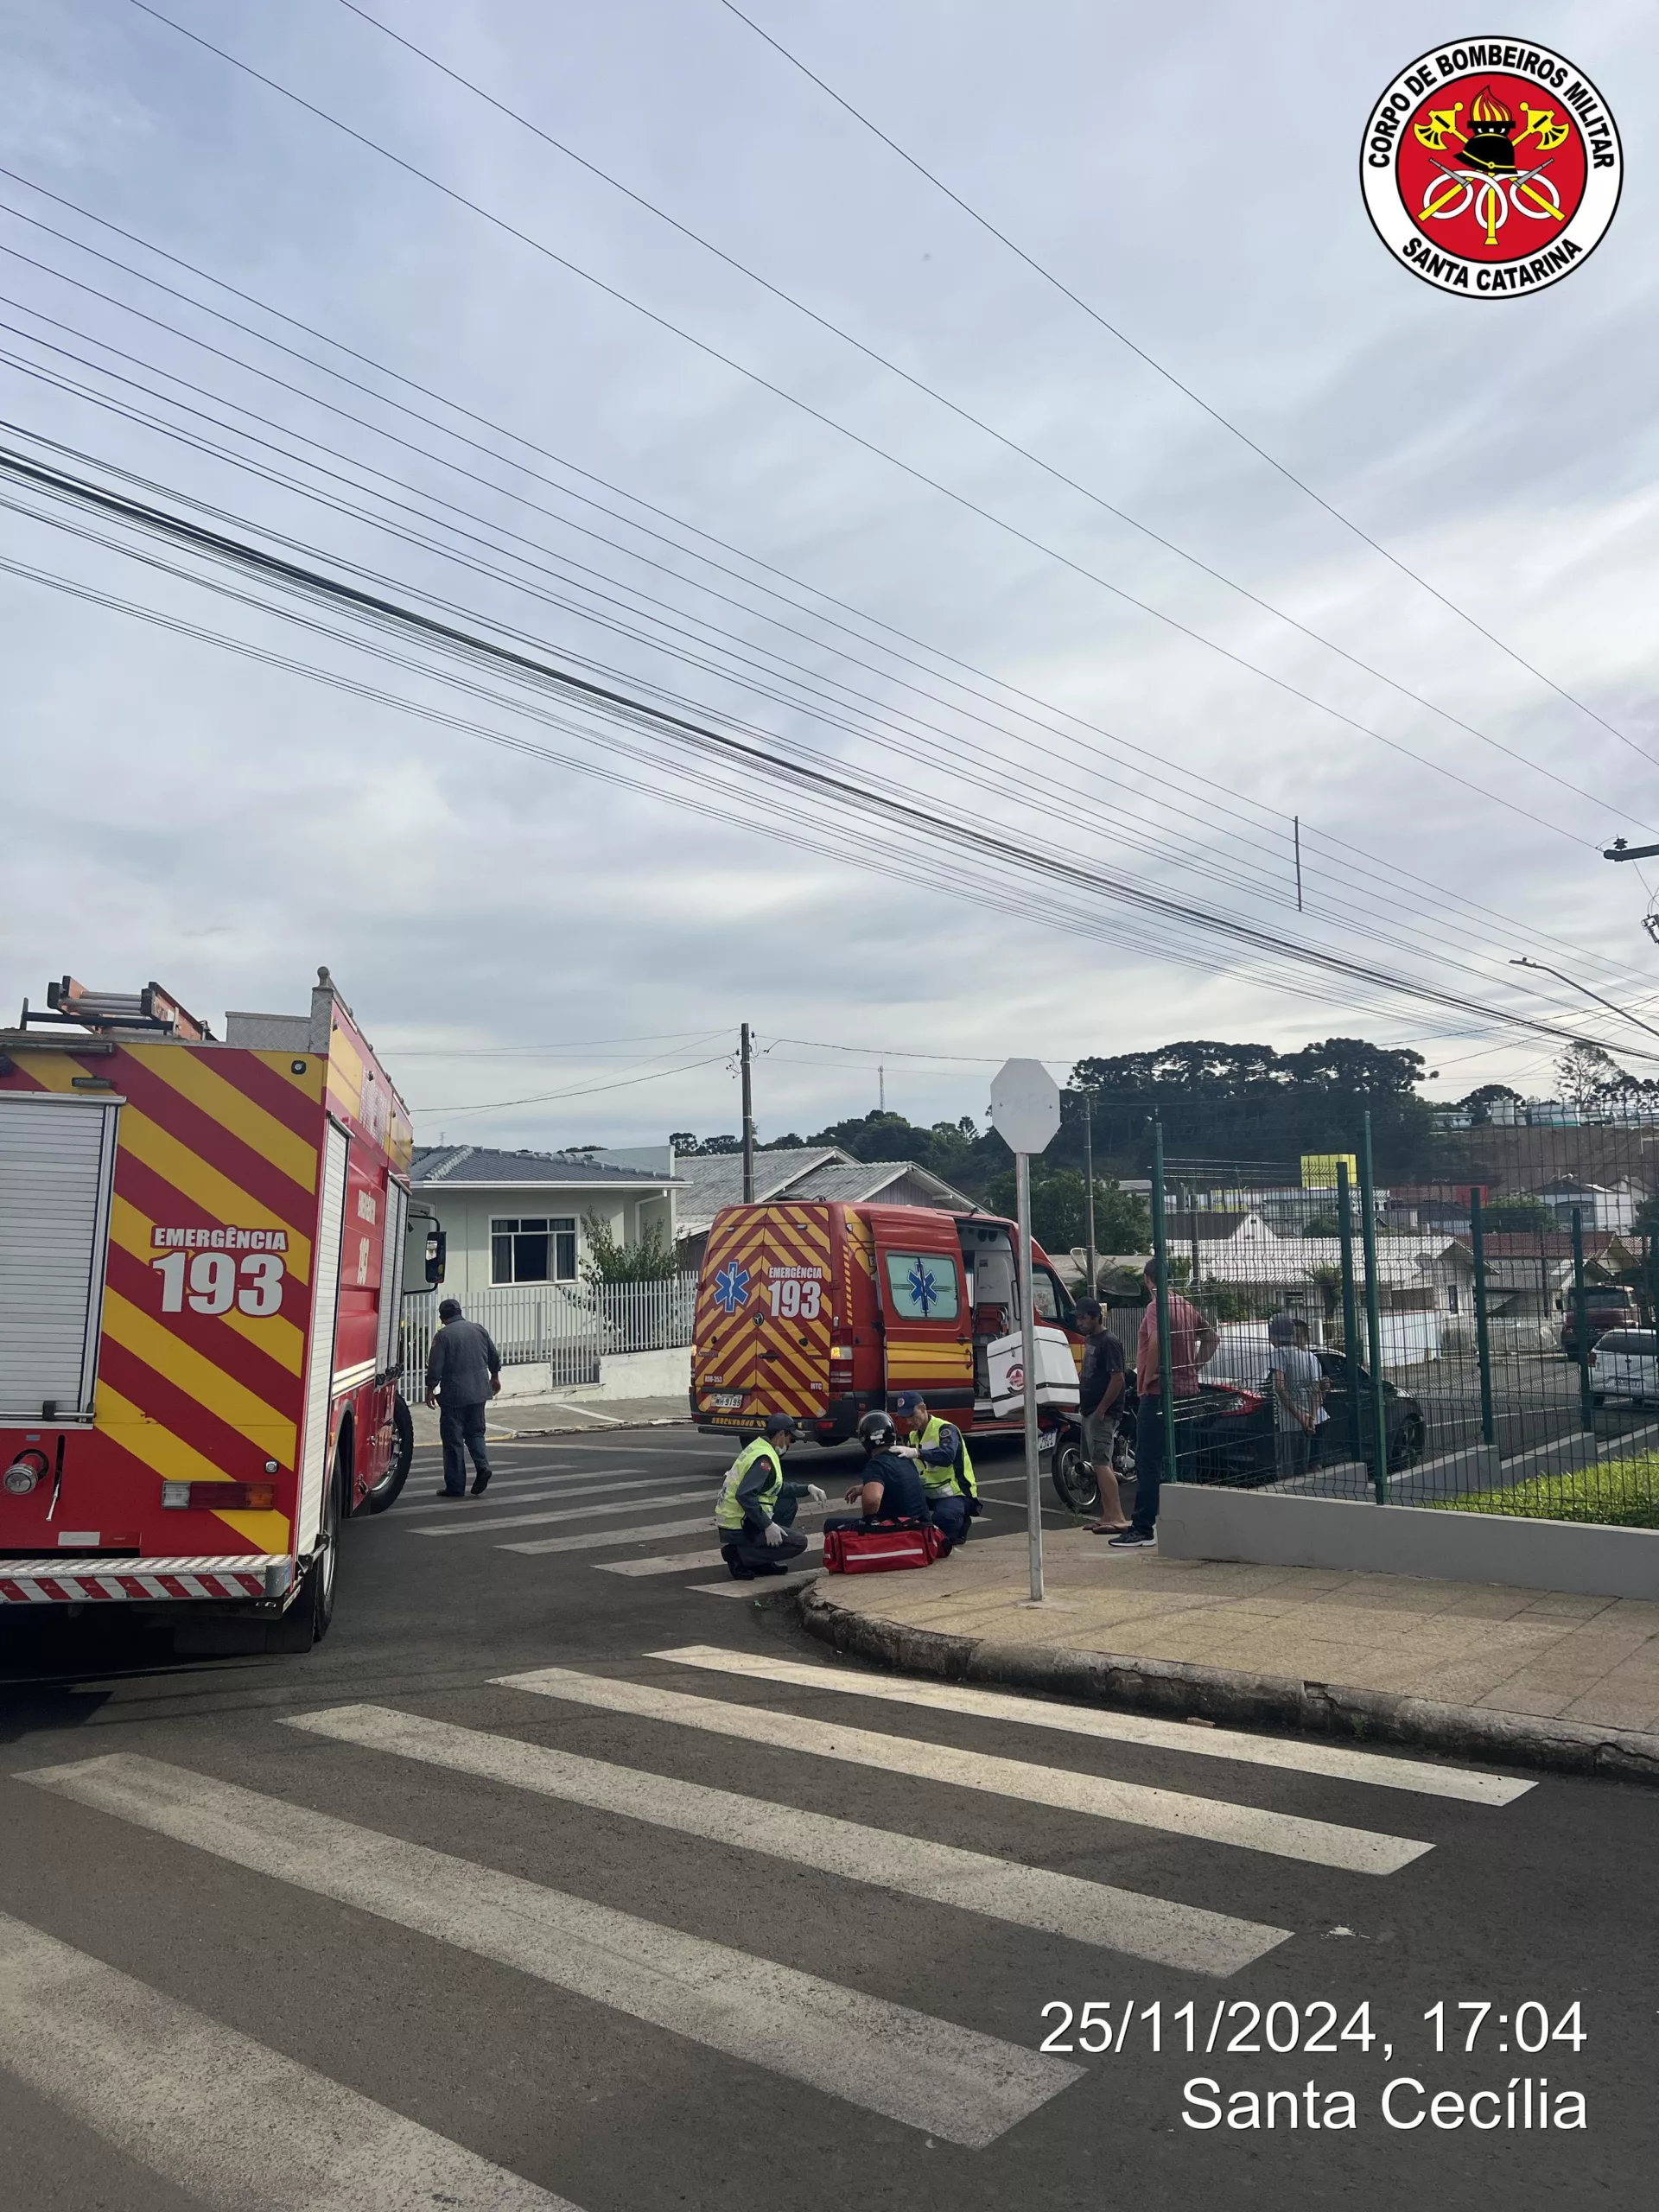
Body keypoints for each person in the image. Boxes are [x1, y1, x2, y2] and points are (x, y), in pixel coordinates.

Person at [1109, 1262, 1217, 1549]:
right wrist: (1192, 1367)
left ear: (1147, 1279)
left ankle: (1143, 1527)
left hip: (1158, 1394)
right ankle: (1187, 1522)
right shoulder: (1185, 1305)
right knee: (1183, 1458)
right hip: (1186, 1391)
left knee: (1148, 1461)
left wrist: (1151, 1374)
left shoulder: (1157, 1306)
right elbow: (1211, 1337)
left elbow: (1157, 1339)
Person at [715, 1413, 827, 1580]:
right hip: (739, 1525)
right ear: (781, 1435)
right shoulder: (764, 1459)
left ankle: (761, 1559)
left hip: (739, 1520)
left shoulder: (760, 1447)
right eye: (791, 1439)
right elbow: (745, 1495)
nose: (791, 1444)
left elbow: (774, 1488)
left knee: (788, 1503)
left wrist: (807, 1489)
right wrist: (767, 1525)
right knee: (798, 1543)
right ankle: (738, 1555)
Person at [424, 1297, 503, 1497]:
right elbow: (493, 1356)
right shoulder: (478, 1329)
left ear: (442, 1317)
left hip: (454, 1396)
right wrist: (495, 1376)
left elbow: (435, 1365)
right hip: (479, 1392)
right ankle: (483, 1466)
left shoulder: (443, 1336)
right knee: (476, 1433)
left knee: (453, 1441)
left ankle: (455, 1486)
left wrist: (430, 1388)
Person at [822, 1409, 932, 1534]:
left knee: (830, 1525)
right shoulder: (905, 1458)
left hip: (898, 1530)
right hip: (922, 1528)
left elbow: (872, 1500)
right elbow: (897, 1482)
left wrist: (867, 1523)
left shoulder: (876, 1465)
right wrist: (864, 1487)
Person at [892, 1389, 980, 1545]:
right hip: (931, 1491)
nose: (909, 1421)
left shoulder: (945, 1429)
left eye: (911, 1415)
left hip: (956, 1492)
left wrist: (916, 1452)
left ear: (923, 1408)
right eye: (905, 1418)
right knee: (898, 1508)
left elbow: (946, 1457)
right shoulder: (913, 1435)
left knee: (944, 1520)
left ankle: (959, 1525)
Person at [1074, 1299, 1130, 1535]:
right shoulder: (1091, 1340)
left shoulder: (1109, 1342)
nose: (1080, 1322)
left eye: (1083, 1318)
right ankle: (1106, 1515)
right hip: (1089, 1409)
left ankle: (1117, 1516)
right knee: (1096, 1465)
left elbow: (1118, 1379)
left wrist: (1102, 1410)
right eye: (1078, 1318)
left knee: (1101, 1463)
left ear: (1096, 1316)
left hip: (1102, 1413)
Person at [1268, 1312, 1327, 1483]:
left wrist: (1299, 1416)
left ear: (1273, 1335)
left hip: (1289, 1421)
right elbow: (1317, 1389)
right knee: (1304, 1470)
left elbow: (1280, 1387)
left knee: (1287, 1472)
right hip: (1310, 1421)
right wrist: (1311, 1418)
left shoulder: (1279, 1354)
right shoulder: (1309, 1356)